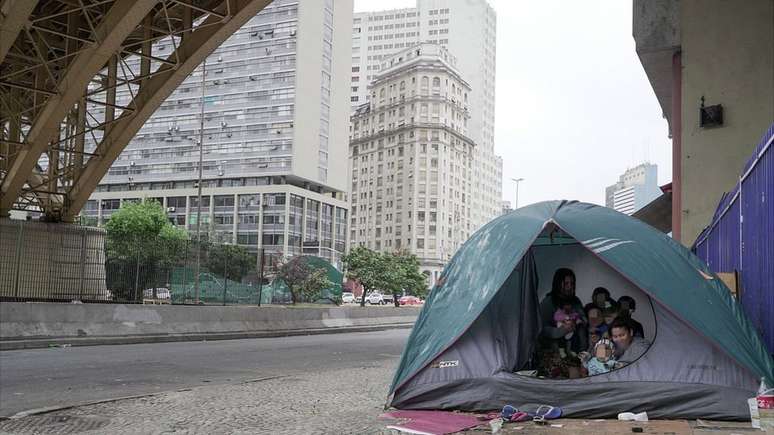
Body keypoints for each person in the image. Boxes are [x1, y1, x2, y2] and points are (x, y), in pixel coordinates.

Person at [539, 268, 587, 353]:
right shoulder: (548, 302)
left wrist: (579, 322)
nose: (569, 287)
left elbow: (583, 318)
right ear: (558, 284)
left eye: (572, 283)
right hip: (555, 350)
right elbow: (541, 329)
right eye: (566, 283)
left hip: (577, 349)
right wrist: (562, 330)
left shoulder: (576, 301)